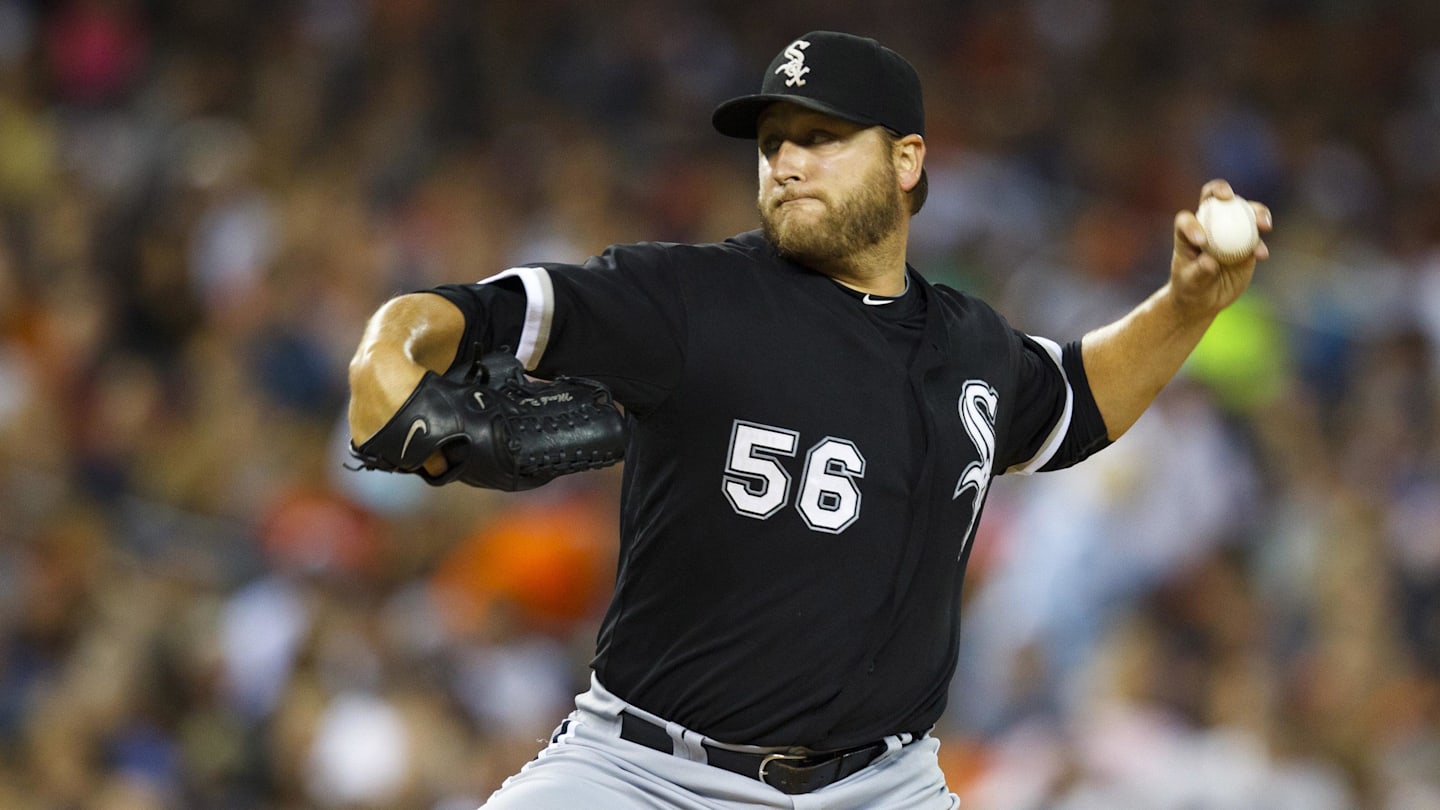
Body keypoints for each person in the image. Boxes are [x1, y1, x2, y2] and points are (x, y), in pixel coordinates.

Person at [347, 30, 1272, 810]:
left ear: (906, 161)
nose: (786, 161)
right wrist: (390, 341)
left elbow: (1075, 401)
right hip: (646, 773)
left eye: (821, 137)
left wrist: (1189, 304)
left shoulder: (972, 347)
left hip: (883, 787)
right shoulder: (690, 297)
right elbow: (493, 309)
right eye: (773, 142)